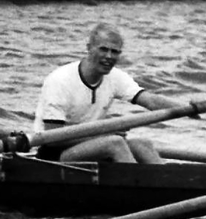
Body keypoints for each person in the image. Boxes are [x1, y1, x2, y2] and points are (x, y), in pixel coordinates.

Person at [34, 23, 194, 163]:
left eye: (115, 52)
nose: (109, 57)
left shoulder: (115, 77)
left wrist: (189, 110)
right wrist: (101, 134)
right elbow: (52, 138)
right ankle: (139, 190)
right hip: (54, 155)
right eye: (103, 49)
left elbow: (150, 101)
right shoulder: (60, 80)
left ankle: (167, 186)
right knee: (114, 143)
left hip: (89, 146)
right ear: (89, 48)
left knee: (142, 145)